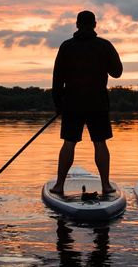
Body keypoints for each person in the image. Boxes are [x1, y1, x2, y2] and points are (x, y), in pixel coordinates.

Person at [50, 10, 123, 194]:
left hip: (72, 103)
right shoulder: (104, 46)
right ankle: (105, 185)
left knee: (69, 142)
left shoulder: (66, 46)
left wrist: (58, 103)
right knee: (100, 142)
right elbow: (117, 72)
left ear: (77, 24)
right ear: (95, 25)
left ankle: (59, 185)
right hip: (97, 103)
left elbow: (57, 79)